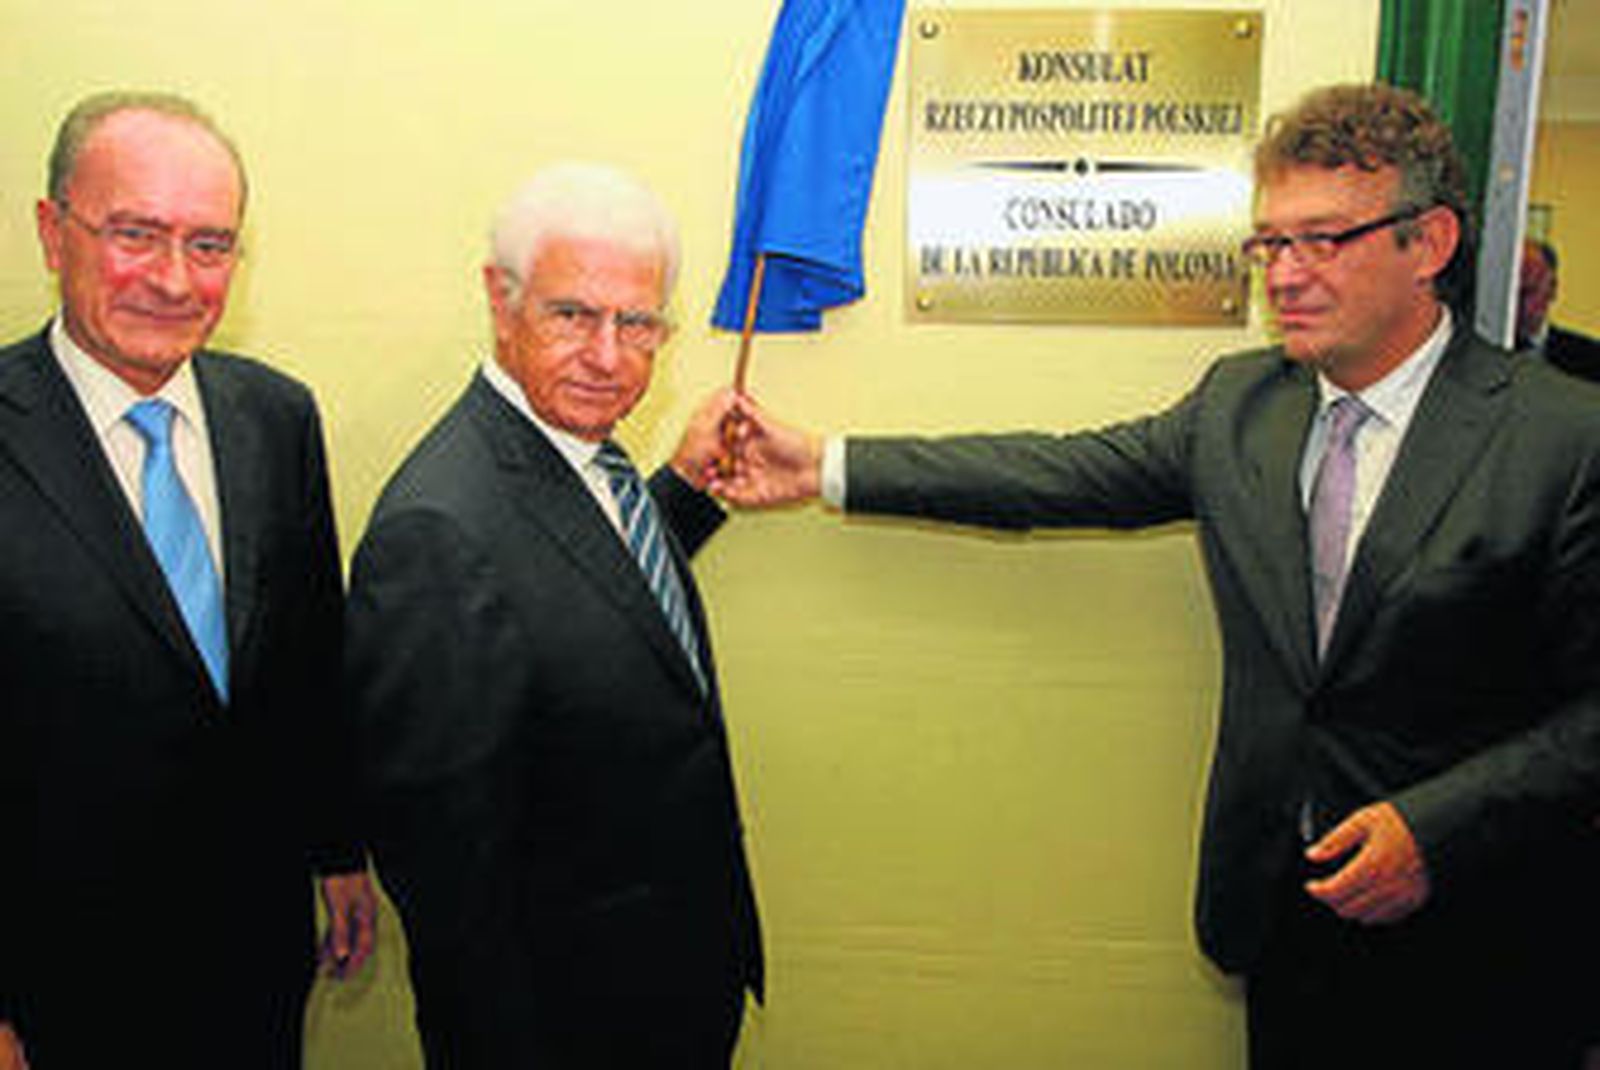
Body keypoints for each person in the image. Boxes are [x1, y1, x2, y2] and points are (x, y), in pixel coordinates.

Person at [692, 84, 1600, 1068]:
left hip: (1485, 933)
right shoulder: (1241, 407)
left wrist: (1438, 828)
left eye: (1321, 241)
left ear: (1426, 243)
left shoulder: (1562, 436)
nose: (1283, 277)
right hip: (1281, 916)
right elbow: (1057, 472)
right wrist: (824, 461)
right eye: (1267, 244)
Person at [346, 162, 763, 1068]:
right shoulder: (437, 529)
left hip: (668, 991)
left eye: (639, 323)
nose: (609, 356)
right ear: (502, 303)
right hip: (568, 1030)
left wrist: (679, 498)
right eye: (573, 315)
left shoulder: (581, 461)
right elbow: (450, 889)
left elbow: (575, 604)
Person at [0, 92, 376, 1070]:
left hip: (251, 953)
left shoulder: (276, 417)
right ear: (53, 231)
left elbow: (306, 657)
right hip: (56, 985)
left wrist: (337, 846)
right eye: (135, 234)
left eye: (209, 245)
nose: (173, 279)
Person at [1517, 237, 1600, 381]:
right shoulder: (1481, 352)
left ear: (1552, 288)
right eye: (1514, 293)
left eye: (1530, 291)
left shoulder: (1591, 360)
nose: (1520, 304)